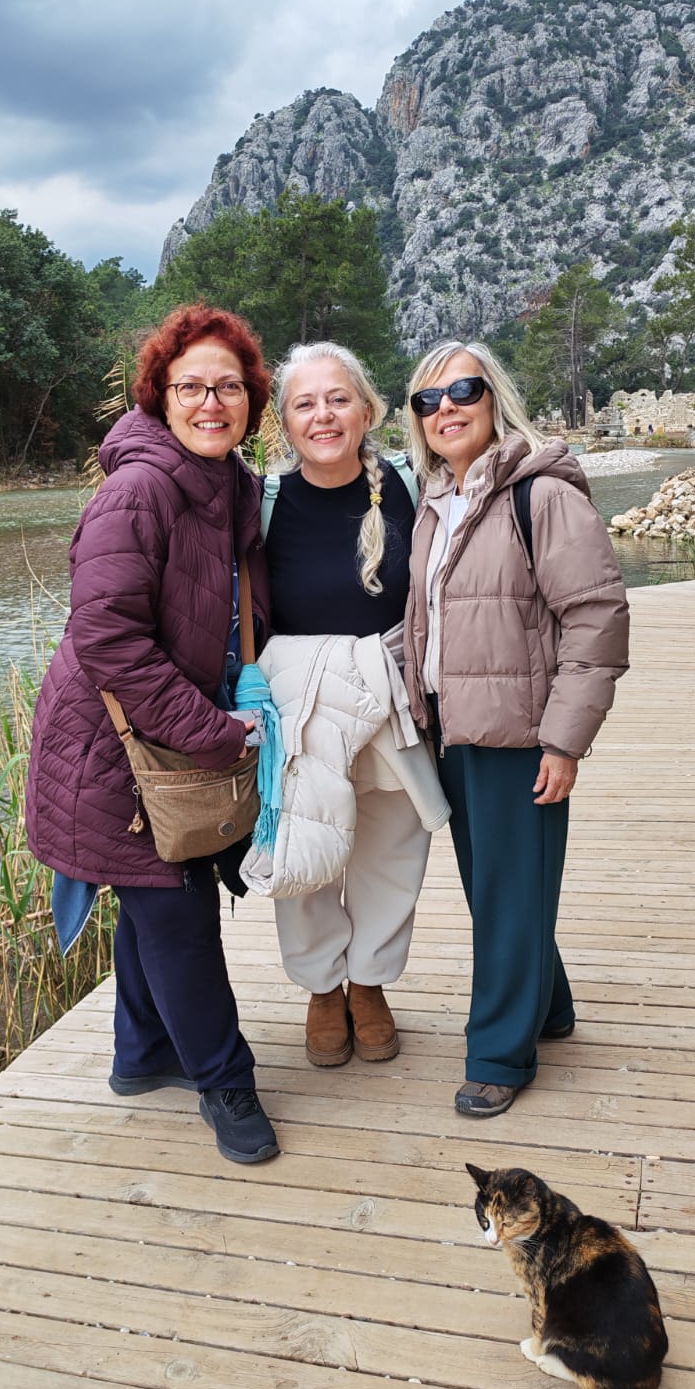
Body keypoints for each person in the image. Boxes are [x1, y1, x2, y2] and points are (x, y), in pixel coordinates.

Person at [25, 304, 280, 1165]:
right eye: (191, 387)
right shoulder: (139, 490)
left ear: (252, 401)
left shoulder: (231, 485)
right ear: (160, 397)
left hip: (162, 739)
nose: (212, 403)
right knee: (177, 909)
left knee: (157, 889)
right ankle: (224, 1081)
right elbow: (107, 637)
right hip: (113, 748)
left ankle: (141, 1054)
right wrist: (213, 732)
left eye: (229, 387)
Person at [401, 340, 629, 1118]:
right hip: (454, 730)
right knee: (498, 888)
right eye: (427, 400)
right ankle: (549, 1007)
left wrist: (564, 740)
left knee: (505, 891)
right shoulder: (437, 499)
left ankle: (500, 1053)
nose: (445, 409)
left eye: (462, 391)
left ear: (494, 397)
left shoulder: (542, 495)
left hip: (520, 735)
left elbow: (596, 618)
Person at [261, 341, 441, 1068]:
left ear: (367, 410)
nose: (324, 415)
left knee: (391, 852)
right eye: (305, 403)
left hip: (391, 695)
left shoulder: (411, 486)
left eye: (338, 399)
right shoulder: (262, 503)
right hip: (298, 709)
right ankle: (320, 987)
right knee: (304, 851)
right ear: (285, 423)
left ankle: (368, 983)